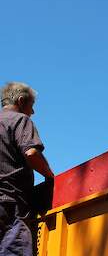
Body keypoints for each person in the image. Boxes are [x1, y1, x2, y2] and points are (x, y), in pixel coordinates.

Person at [0, 82, 54, 255]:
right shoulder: (20, 120)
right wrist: (49, 175)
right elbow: (31, 153)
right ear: (21, 101)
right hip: (11, 205)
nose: (33, 112)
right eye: (32, 106)